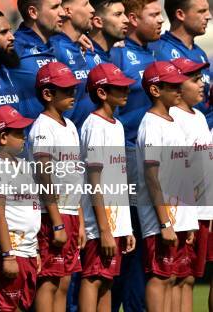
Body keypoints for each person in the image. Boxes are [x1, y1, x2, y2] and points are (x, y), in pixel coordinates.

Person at [109, 0, 161, 312]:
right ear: (132, 18)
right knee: (125, 255)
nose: (160, 21)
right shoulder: (117, 54)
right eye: (153, 15)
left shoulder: (153, 54)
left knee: (146, 254)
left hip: (151, 164)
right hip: (124, 162)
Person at [135, 61, 198, 312]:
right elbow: (152, 177)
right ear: (155, 90)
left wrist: (188, 220)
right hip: (162, 218)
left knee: (173, 277)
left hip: (179, 218)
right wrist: (165, 222)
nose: (179, 89)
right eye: (172, 86)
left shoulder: (172, 121)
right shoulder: (151, 124)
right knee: (160, 276)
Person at [78, 64, 136, 312]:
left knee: (107, 281)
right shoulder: (94, 126)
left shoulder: (117, 125)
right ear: (102, 93)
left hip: (115, 223)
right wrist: (104, 229)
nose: (126, 91)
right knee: (93, 278)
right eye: (119, 87)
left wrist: (125, 227)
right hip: (99, 224)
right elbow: (94, 180)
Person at [28, 62, 85, 312]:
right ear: (47, 94)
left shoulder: (70, 126)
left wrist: (79, 221)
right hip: (51, 215)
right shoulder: (42, 127)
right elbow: (44, 177)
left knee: (64, 282)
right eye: (66, 90)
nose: (72, 95)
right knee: (48, 281)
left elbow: (76, 178)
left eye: (73, 89)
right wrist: (57, 223)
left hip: (70, 213)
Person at [0, 105, 39, 312]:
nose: (24, 137)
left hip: (27, 250)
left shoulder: (22, 165)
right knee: (6, 308)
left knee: (21, 307)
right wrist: (7, 255)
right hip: (7, 252)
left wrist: (35, 250)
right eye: (19, 133)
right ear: (3, 137)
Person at [168, 57, 211, 312]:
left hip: (204, 212)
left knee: (190, 276)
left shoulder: (199, 117)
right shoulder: (173, 118)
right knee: (175, 276)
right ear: (177, 86)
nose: (202, 84)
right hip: (184, 213)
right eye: (194, 80)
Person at [149, 0, 212, 126]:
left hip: (203, 136)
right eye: (201, 11)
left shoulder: (200, 53)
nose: (208, 16)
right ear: (180, 14)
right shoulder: (157, 51)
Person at [11, 0, 64, 119]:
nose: (62, 12)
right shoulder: (15, 47)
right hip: (30, 136)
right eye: (55, 7)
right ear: (33, 12)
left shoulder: (58, 43)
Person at [50, 0, 96, 131]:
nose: (92, 10)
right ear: (68, 11)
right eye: (85, 4)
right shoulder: (55, 48)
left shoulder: (80, 46)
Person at [87, 0, 129, 65]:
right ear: (98, 22)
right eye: (118, 14)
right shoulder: (84, 57)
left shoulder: (116, 57)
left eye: (124, 14)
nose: (126, 20)